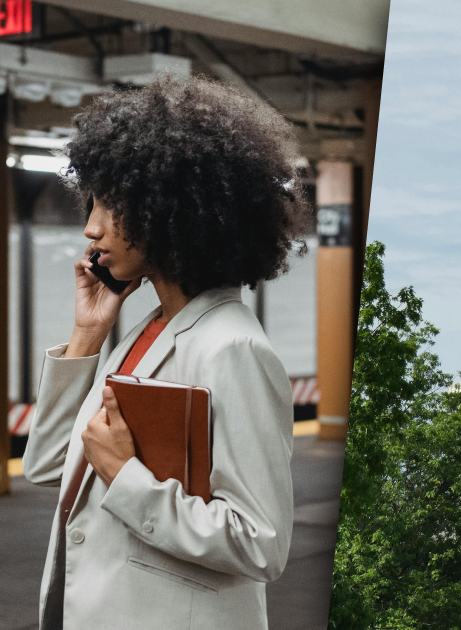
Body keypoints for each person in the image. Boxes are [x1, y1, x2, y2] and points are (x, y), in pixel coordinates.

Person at [23, 75, 310, 630]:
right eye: (92, 203)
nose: (91, 228)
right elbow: (50, 464)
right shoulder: (145, 332)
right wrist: (88, 334)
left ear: (173, 210)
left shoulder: (233, 348)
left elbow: (261, 543)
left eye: (112, 206)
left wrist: (125, 475)